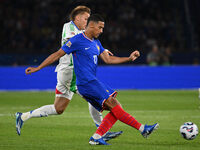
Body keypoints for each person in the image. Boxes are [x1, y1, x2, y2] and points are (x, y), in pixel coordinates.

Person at [24, 14, 159, 145]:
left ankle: (96, 136)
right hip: (85, 83)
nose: (102, 31)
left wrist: (128, 58)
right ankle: (142, 129)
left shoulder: (96, 42)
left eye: (102, 28)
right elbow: (57, 55)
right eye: (100, 28)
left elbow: (108, 59)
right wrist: (38, 68)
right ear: (92, 26)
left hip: (92, 81)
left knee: (116, 106)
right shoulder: (76, 40)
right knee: (114, 104)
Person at [15, 6, 122, 141]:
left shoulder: (83, 32)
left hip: (66, 73)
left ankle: (23, 116)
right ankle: (101, 131)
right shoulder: (69, 27)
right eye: (86, 19)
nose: (88, 22)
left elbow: (89, 39)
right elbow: (80, 40)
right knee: (93, 95)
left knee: (58, 108)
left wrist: (102, 48)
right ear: (77, 18)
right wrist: (38, 68)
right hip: (70, 73)